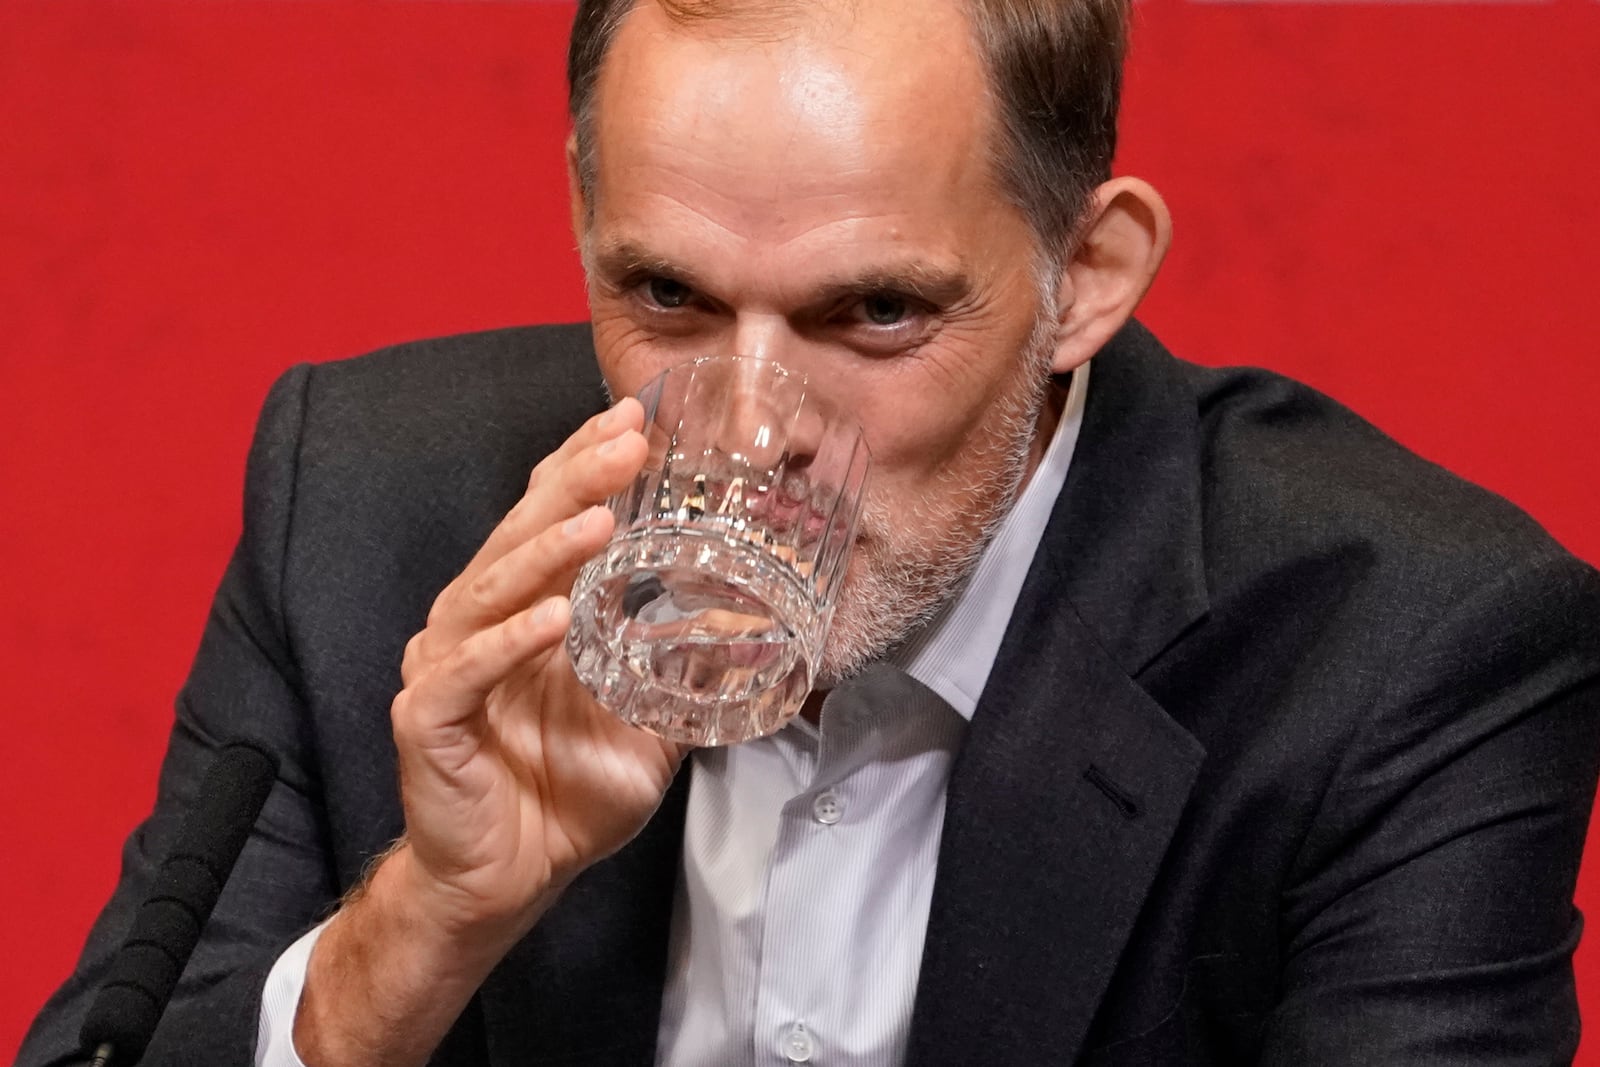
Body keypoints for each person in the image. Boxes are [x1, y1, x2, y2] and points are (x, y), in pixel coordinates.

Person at [22, 0, 1600, 1063]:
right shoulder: (366, 502)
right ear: (583, 211)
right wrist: (422, 927)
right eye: (664, 296)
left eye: (877, 311)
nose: (759, 422)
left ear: (1092, 275)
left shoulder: (1409, 652)